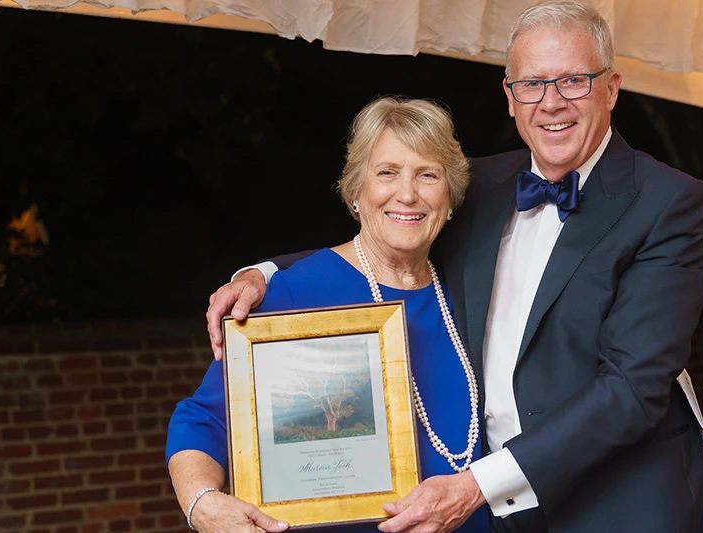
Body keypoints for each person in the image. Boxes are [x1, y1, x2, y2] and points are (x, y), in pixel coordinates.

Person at [205, 2, 703, 532]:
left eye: (574, 80)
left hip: (621, 503)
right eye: (532, 85)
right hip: (501, 518)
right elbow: (394, 228)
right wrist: (266, 273)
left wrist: (478, 484)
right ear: (509, 97)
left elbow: (632, 388)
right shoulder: (483, 185)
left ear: (611, 88)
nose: (551, 103)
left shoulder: (668, 202)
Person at [166, 96, 493, 533]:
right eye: (387, 172)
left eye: (428, 175)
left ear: (450, 196)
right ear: (357, 189)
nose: (408, 193)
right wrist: (201, 504)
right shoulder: (295, 292)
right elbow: (205, 418)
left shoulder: (471, 289)